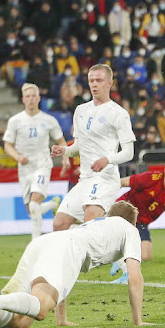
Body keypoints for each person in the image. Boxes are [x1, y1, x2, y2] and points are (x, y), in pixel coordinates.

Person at [0, 201, 151, 328]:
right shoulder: (129, 230)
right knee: (39, 309)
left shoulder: (96, 226)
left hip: (45, 243)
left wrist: (62, 319)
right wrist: (138, 321)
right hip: (66, 248)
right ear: (132, 223)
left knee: (21, 323)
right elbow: (135, 277)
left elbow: (66, 274)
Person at [50, 64, 136, 230]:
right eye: (91, 81)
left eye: (99, 80)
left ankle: (108, 248)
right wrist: (65, 150)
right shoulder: (81, 110)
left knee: (90, 221)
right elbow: (79, 146)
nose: (94, 84)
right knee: (59, 223)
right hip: (85, 179)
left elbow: (129, 152)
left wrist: (107, 159)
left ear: (110, 83)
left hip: (106, 179)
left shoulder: (118, 113)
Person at [3, 83, 69, 239]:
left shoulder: (49, 120)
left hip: (42, 164)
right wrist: (18, 157)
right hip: (24, 168)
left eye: (34, 96)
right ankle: (54, 204)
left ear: (39, 98)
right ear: (23, 99)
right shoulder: (15, 121)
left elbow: (61, 141)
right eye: (28, 96)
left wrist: (65, 158)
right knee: (31, 210)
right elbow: (7, 145)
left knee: (34, 205)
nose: (31, 99)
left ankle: (35, 244)